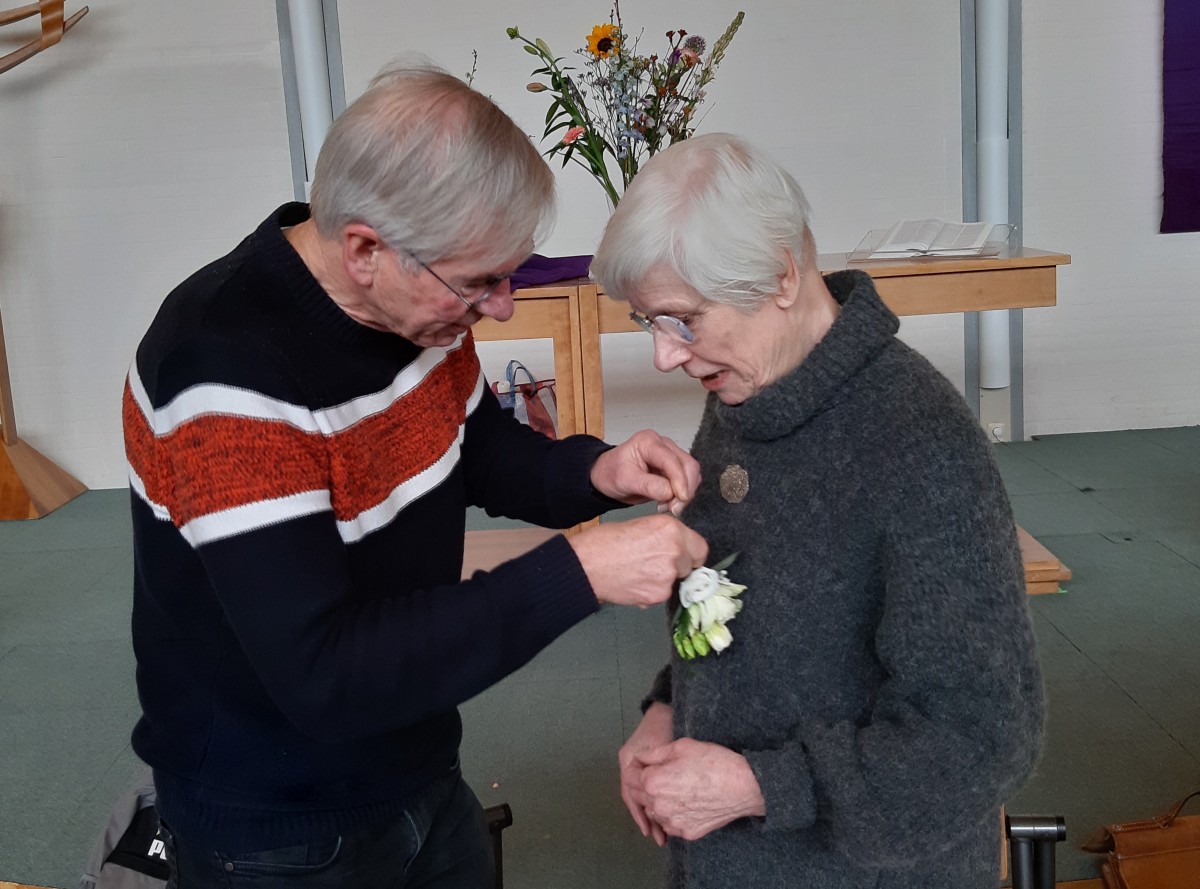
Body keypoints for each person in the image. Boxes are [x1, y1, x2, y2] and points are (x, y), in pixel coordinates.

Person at [121, 63, 707, 889]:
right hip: (277, 825)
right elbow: (326, 676)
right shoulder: (227, 374)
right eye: (479, 282)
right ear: (365, 249)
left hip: (415, 754)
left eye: (510, 272)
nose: (501, 306)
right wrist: (583, 572)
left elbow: (476, 449)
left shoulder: (415, 305)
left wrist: (599, 472)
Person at [591, 133, 1045, 889]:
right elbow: (738, 606)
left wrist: (759, 785)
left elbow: (982, 734)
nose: (665, 355)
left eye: (682, 319)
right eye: (651, 323)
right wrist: (668, 708)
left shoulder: (919, 439)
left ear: (779, 276)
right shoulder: (746, 391)